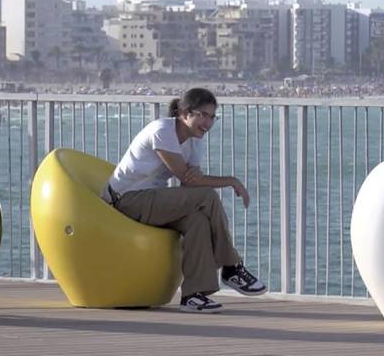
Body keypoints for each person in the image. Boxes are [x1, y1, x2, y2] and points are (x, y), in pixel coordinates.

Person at [103, 87, 266, 313]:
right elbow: (187, 177)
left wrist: (197, 179)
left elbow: (192, 182)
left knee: (197, 220)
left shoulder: (194, 141)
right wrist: (232, 181)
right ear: (185, 113)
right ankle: (231, 266)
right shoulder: (162, 130)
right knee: (207, 196)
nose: (208, 123)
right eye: (203, 115)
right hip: (126, 200)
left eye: (212, 117)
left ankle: (193, 295)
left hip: (151, 200)